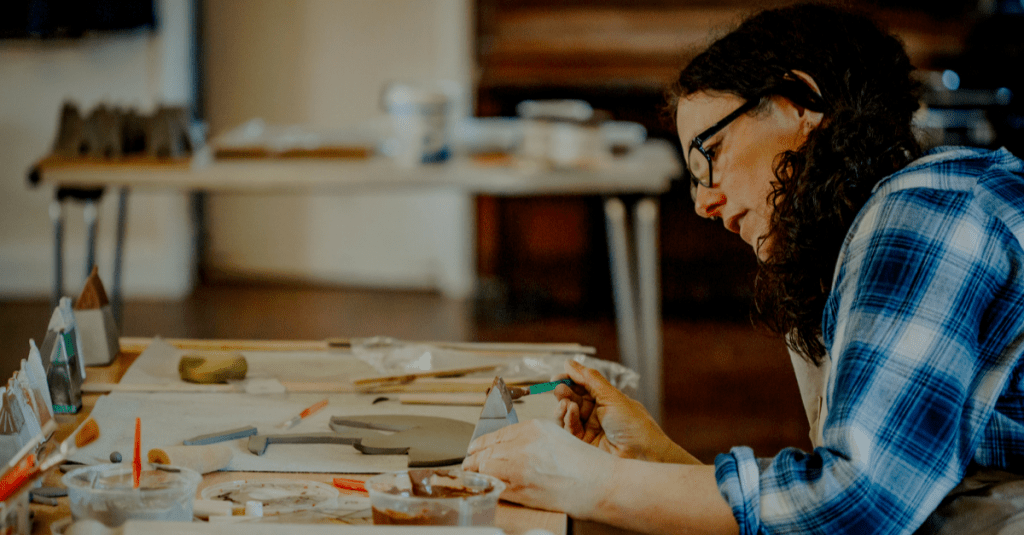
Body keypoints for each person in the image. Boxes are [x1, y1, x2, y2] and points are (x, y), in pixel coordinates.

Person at [462, 3, 1024, 534]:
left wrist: (598, 484)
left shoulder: (926, 209)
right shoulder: (878, 233)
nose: (704, 203)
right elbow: (838, 504)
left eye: (710, 152)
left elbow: (860, 506)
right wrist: (658, 463)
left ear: (798, 104)